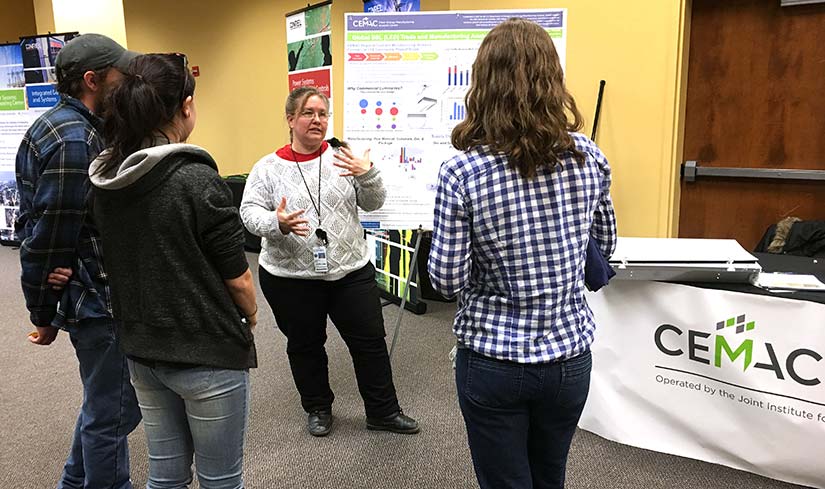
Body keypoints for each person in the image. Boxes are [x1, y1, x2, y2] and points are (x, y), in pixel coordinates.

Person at [428, 18, 618, 489]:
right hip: (569, 359)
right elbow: (604, 249)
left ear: (482, 84)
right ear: (552, 80)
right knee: (549, 476)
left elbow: (446, 282)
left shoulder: (461, 172)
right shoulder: (590, 157)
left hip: (493, 359)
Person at [88, 53, 258, 488]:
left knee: (165, 475)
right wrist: (251, 314)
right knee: (221, 479)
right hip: (207, 352)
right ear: (186, 106)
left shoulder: (106, 182)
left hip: (144, 350)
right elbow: (238, 279)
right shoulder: (198, 180)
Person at [240, 86, 419, 437]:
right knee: (306, 345)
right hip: (291, 276)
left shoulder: (344, 157)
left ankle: (383, 411)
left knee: (370, 343)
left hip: (350, 270)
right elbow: (248, 213)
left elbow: (373, 202)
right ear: (291, 119)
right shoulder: (267, 168)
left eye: (323, 113)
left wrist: (367, 173)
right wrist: (276, 224)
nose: (317, 120)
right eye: (308, 112)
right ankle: (318, 407)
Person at [15, 33, 142, 489]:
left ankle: (73, 482)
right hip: (94, 297)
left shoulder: (67, 126)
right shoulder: (73, 141)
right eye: (119, 76)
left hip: (87, 287)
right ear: (92, 80)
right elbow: (47, 237)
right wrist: (43, 311)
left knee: (103, 401)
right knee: (115, 411)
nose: (127, 83)